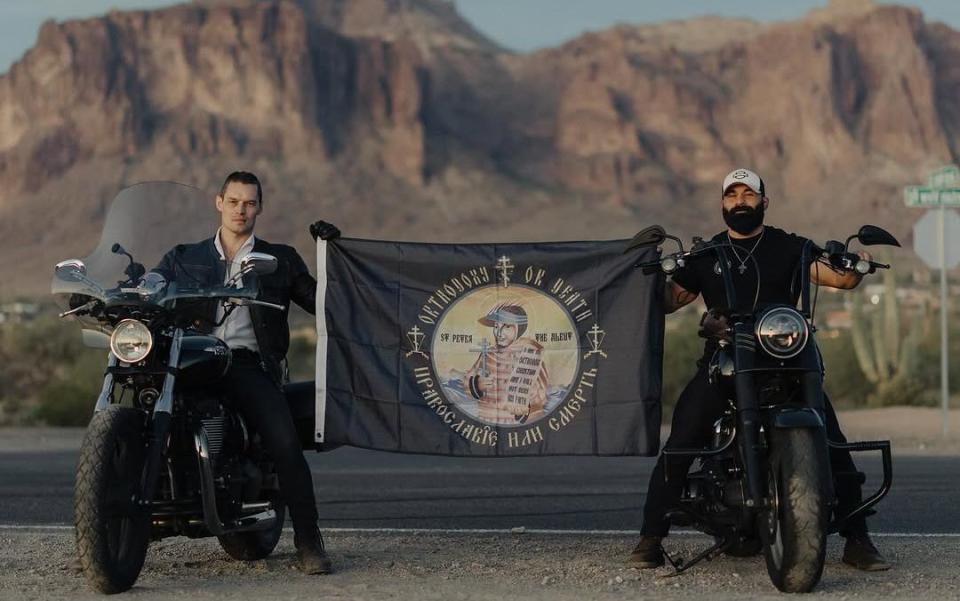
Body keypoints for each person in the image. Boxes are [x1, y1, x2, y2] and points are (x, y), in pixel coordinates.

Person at [629, 168, 890, 571]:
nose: (739, 201)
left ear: (763, 202)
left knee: (832, 441)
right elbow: (670, 301)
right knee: (682, 438)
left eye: (748, 195)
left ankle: (858, 541)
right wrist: (649, 274)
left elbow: (839, 278)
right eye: (731, 195)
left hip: (785, 359)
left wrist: (859, 263)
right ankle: (649, 539)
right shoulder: (707, 253)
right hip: (727, 359)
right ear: (722, 204)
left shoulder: (791, 248)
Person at [156, 171, 341, 574]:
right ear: (219, 202)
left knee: (284, 444)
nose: (242, 210)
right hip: (189, 358)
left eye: (250, 203)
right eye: (235, 201)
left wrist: (334, 255)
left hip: (246, 363)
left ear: (260, 207)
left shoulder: (280, 260)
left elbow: (324, 303)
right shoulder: (183, 257)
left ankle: (309, 542)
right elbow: (151, 290)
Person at [463, 304, 549, 424]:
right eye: (496, 326)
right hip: (487, 420)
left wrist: (527, 399)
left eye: (507, 327)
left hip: (521, 425)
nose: (499, 333)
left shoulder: (531, 355)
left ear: (519, 329)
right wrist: (477, 384)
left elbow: (542, 393)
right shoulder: (488, 354)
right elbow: (467, 380)